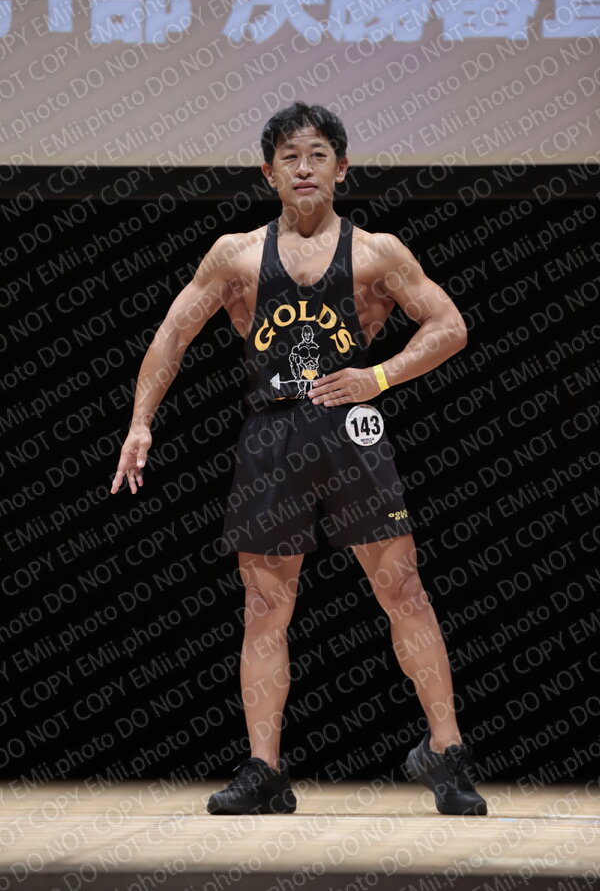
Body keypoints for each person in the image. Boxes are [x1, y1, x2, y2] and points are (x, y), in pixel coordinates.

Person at [110, 101, 487, 818]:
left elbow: (450, 325)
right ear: (269, 173)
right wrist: (140, 423)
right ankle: (264, 769)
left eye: (318, 155)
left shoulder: (377, 251)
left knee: (404, 590)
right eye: (290, 157)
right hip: (272, 434)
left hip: (353, 432)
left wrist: (378, 377)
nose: (304, 168)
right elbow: (171, 335)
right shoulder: (235, 254)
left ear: (342, 168)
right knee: (265, 605)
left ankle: (446, 751)